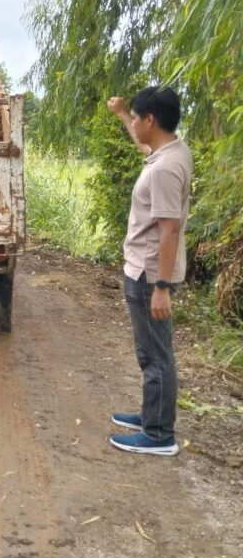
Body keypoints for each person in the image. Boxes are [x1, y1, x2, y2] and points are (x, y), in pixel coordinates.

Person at [106, 86, 192, 456]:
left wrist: (161, 287)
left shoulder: (165, 169)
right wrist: (122, 114)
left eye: (137, 118)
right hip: (148, 271)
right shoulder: (171, 151)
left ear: (151, 120)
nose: (135, 124)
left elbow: (169, 229)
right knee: (154, 351)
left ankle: (158, 435)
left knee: (154, 355)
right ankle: (150, 415)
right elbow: (144, 147)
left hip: (149, 275)